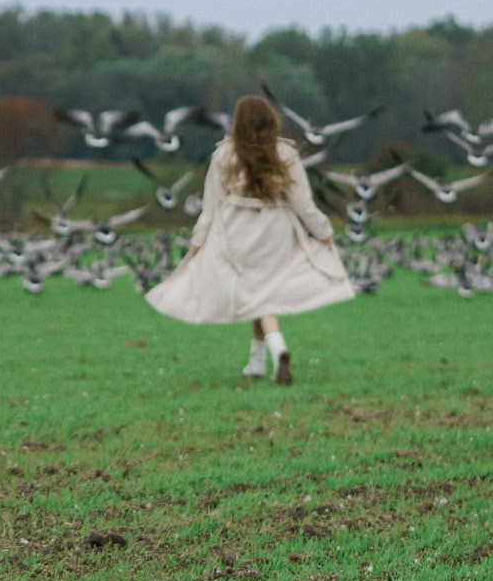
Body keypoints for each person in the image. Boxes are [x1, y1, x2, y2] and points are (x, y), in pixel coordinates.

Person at [143, 94, 355, 383]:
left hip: (235, 230)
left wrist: (197, 243)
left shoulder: (224, 155)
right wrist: (324, 233)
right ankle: (257, 362)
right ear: (271, 121)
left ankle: (276, 347)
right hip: (275, 230)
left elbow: (210, 206)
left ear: (238, 123)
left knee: (256, 292)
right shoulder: (286, 154)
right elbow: (303, 203)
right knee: (262, 291)